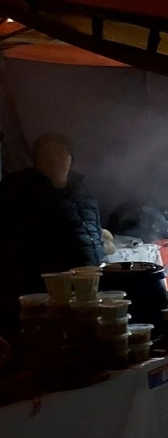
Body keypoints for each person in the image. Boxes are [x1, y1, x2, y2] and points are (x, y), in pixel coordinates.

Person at [0, 133, 105, 335]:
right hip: (48, 295)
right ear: (36, 161)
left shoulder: (84, 192)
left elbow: (94, 234)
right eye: (46, 155)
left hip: (89, 289)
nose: (55, 160)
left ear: (71, 159)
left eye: (60, 153)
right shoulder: (19, 193)